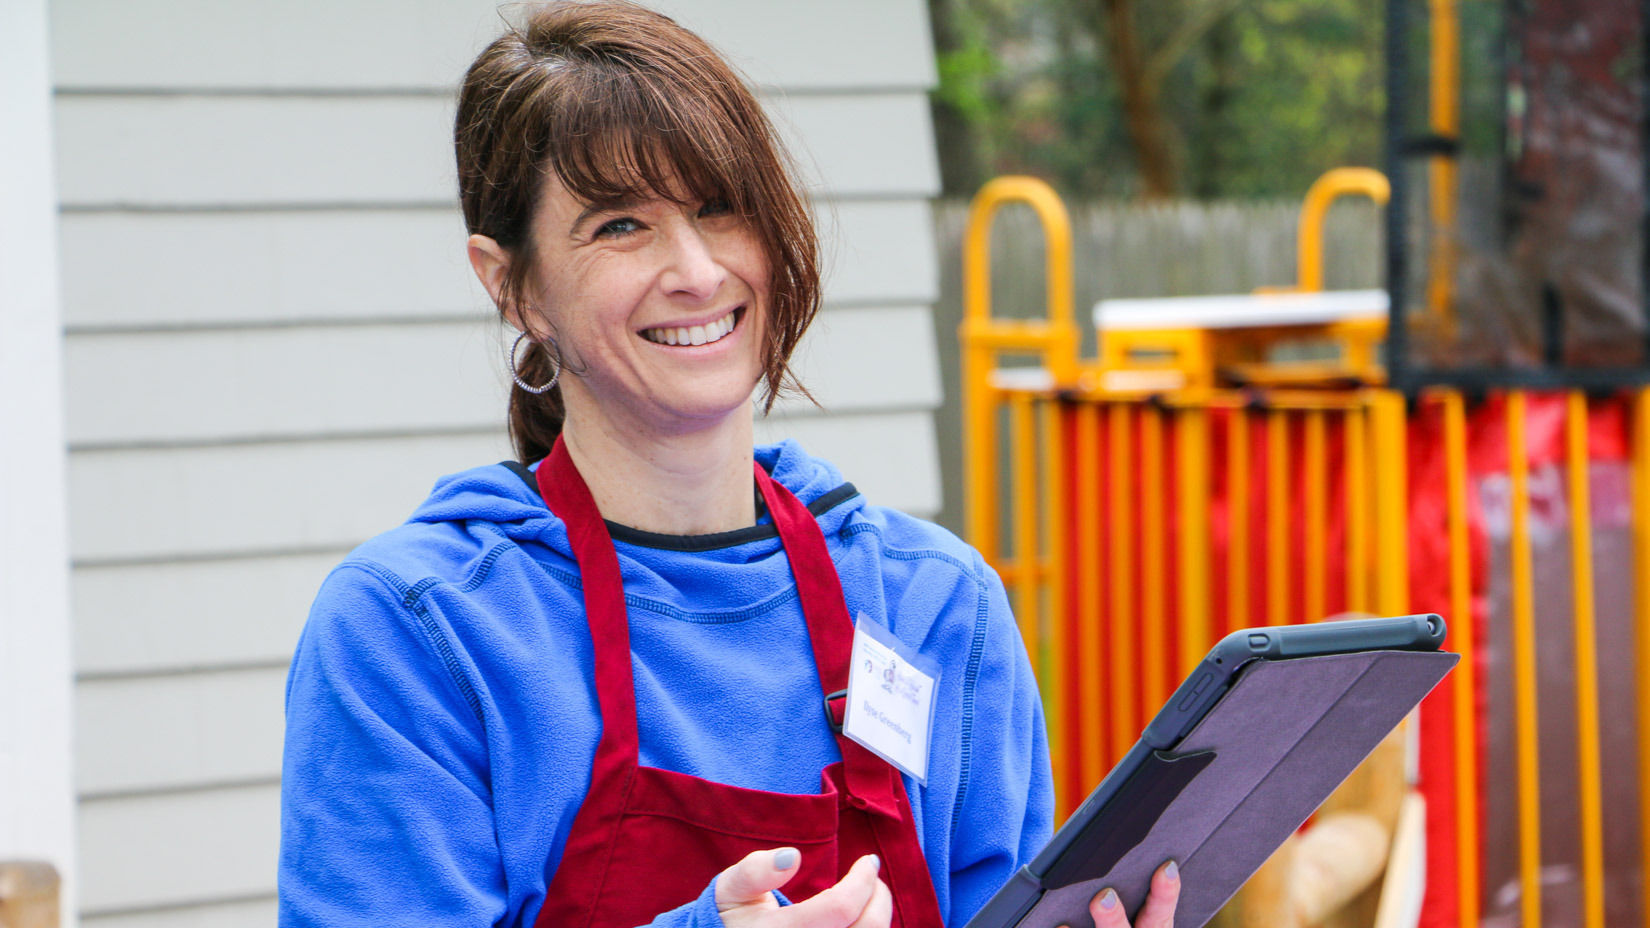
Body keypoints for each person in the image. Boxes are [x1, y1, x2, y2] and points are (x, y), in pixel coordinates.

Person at [277, 3, 1181, 927]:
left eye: (719, 207)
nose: (698, 271)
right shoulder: (420, 634)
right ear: (513, 286)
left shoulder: (934, 603)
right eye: (621, 225)